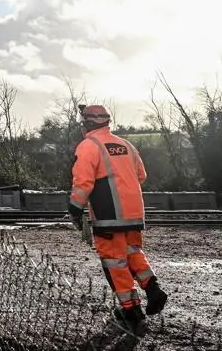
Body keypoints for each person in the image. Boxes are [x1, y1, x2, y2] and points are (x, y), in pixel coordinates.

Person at [69, 104, 169, 331]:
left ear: (88, 124)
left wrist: (74, 208)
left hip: (109, 215)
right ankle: (153, 289)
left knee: (114, 261)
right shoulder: (126, 145)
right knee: (133, 252)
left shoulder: (88, 146)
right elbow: (141, 175)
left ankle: (130, 310)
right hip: (134, 213)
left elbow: (83, 182)